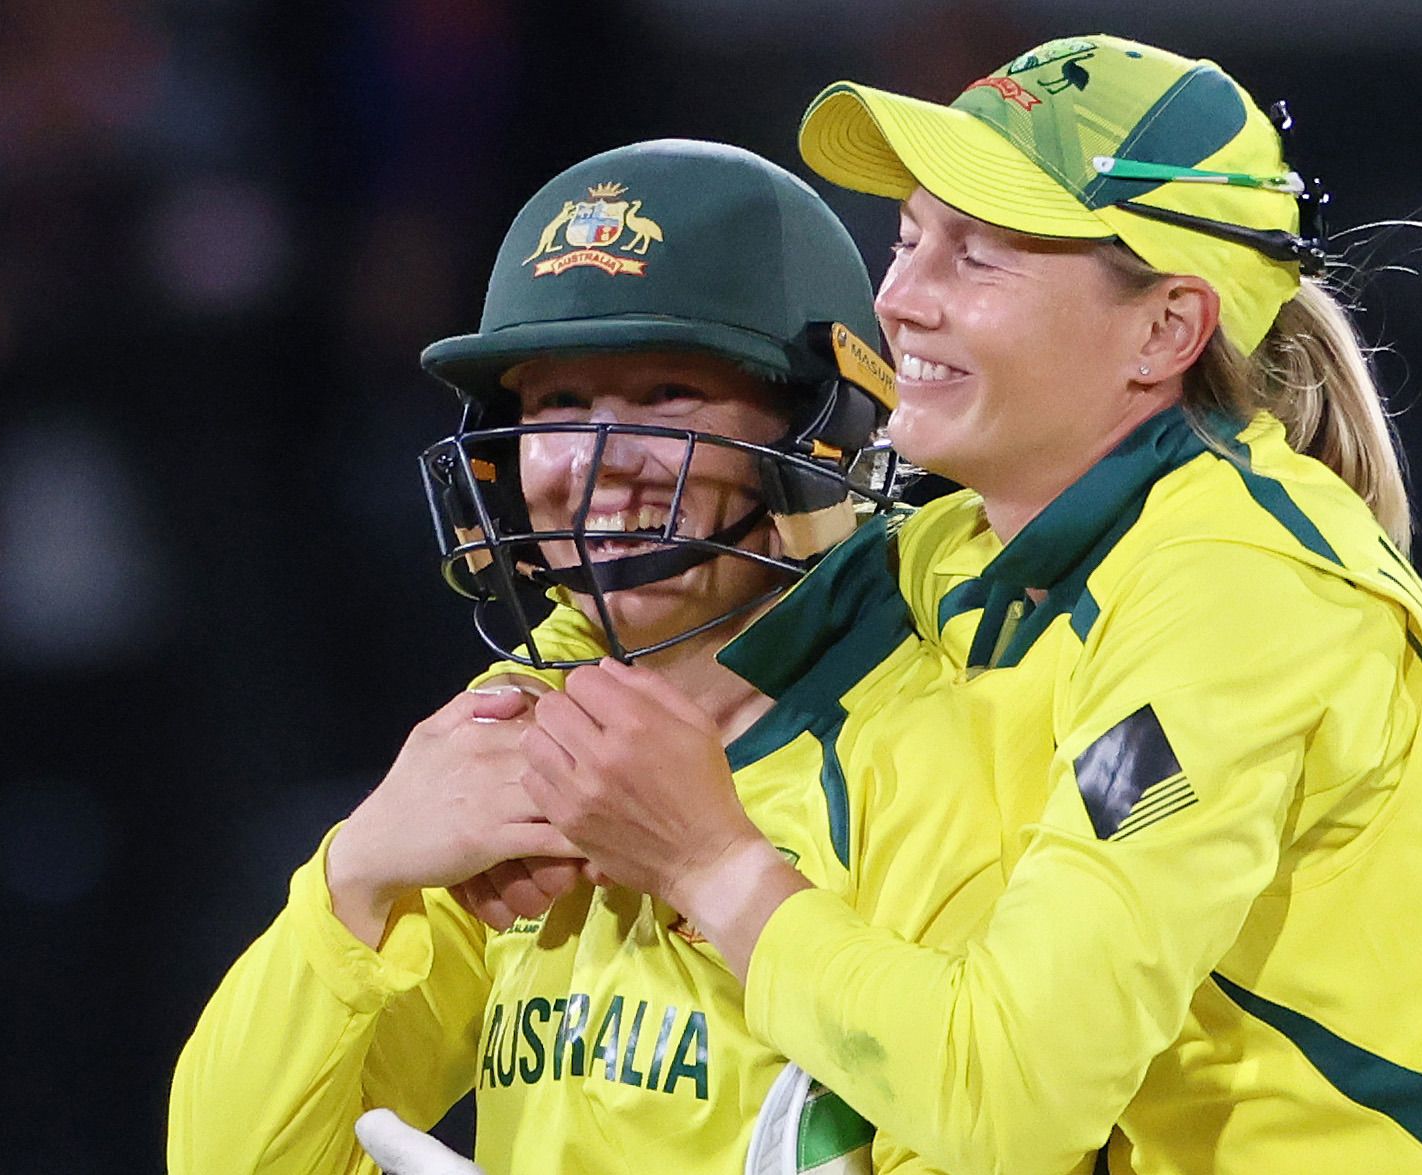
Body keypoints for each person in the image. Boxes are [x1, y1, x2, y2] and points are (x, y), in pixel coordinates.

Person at [517, 36, 1422, 1173]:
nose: (901, 301)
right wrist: (476, 773)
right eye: (911, 237)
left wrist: (711, 863)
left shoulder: (1237, 598)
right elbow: (699, 615)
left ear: (1165, 329)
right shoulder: (973, 549)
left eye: (977, 257)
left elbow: (1009, 1100)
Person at [168, 138, 1014, 1175]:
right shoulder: (509, 735)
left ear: (824, 428)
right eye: (557, 406)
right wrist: (354, 878)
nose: (595, 466)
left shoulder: (947, 732)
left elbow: (1003, 1122)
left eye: (665, 394)